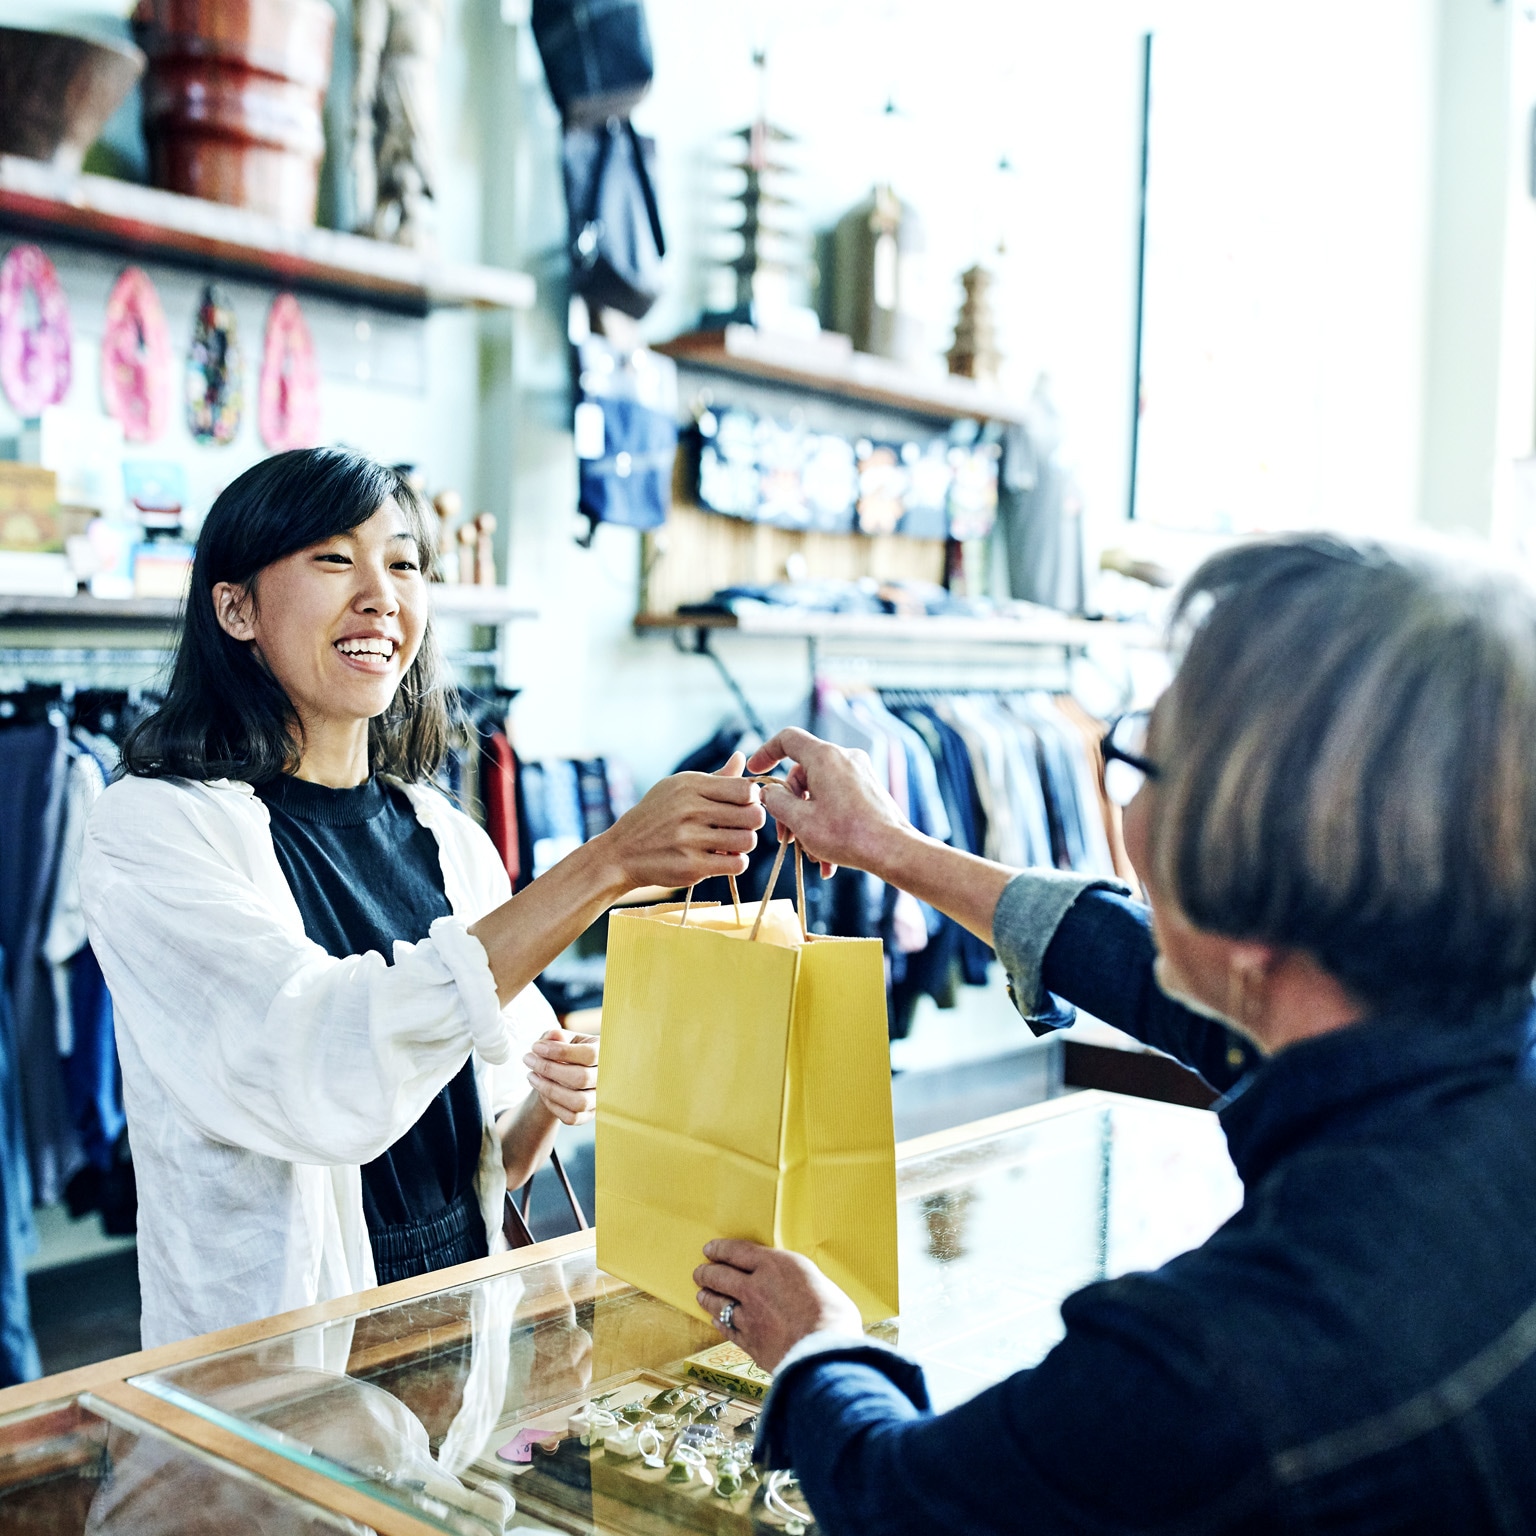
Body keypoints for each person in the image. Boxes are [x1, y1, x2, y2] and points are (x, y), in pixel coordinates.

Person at [693, 534, 1536, 1532]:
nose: (1121, 803)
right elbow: (1161, 980)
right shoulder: (1468, 1062)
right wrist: (886, 846)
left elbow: (904, 1501)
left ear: (1249, 905)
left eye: (1140, 763)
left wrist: (817, 1351)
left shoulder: (1213, 1362)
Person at [82, 448, 765, 1347]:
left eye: (403, 562)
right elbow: (315, 1063)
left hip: (455, 1333)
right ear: (235, 606)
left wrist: (545, 1106)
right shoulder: (152, 829)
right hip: (276, 1360)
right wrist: (609, 863)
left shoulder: (450, 840)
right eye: (333, 559)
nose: (380, 596)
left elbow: (487, 1165)